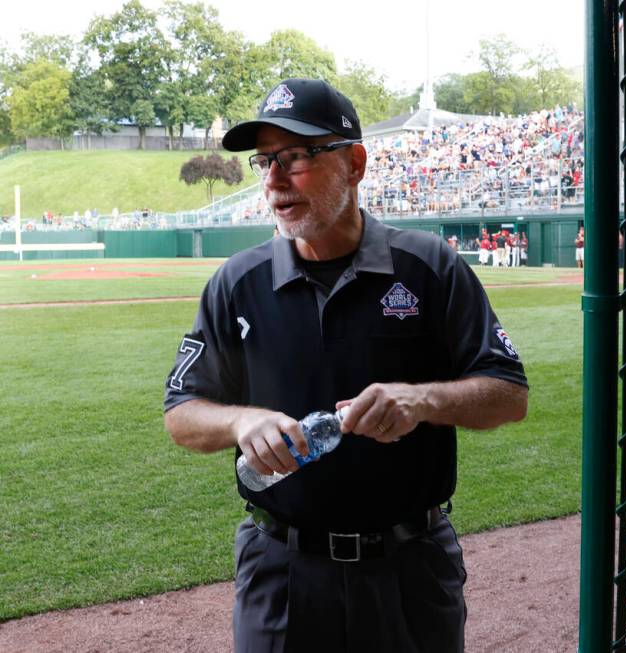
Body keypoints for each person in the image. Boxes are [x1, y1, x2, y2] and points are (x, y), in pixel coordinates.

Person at [163, 78, 529, 653]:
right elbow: (181, 413)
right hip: (281, 569)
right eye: (266, 161)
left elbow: (509, 393)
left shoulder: (428, 267)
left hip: (410, 565)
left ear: (354, 163)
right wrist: (240, 423)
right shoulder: (238, 282)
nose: (274, 180)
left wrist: (423, 401)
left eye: (297, 157)